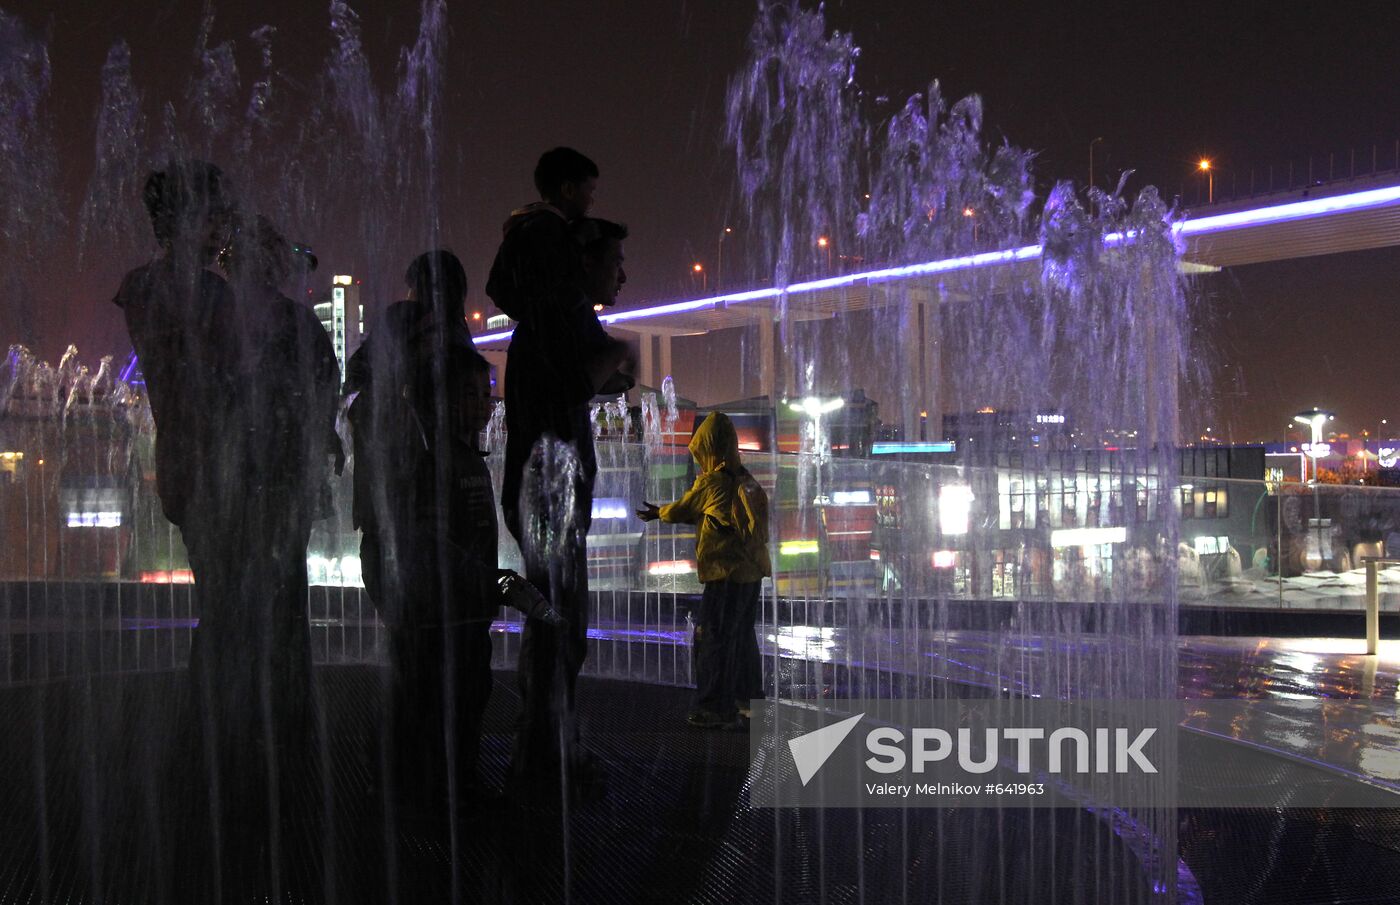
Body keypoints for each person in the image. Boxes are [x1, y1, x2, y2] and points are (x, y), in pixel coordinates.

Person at [487, 161, 633, 788]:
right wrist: (615, 358)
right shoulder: (558, 315)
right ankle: (547, 761)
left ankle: (548, 749)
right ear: (580, 262)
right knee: (557, 622)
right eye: (615, 261)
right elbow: (571, 382)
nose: (622, 274)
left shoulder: (550, 317)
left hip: (546, 484)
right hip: (548, 487)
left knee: (558, 621)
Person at [218, 214, 341, 755]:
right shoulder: (297, 324)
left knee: (237, 593)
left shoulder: (219, 322)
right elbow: (324, 391)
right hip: (283, 476)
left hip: (238, 478)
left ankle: (235, 715)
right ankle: (286, 713)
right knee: (285, 590)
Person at [637, 412, 771, 728]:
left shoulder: (711, 482)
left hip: (725, 574)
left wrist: (659, 512)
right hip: (750, 575)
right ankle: (747, 702)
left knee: (713, 638)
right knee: (741, 636)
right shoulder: (745, 479)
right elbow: (712, 515)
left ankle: (714, 708)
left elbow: (686, 507)